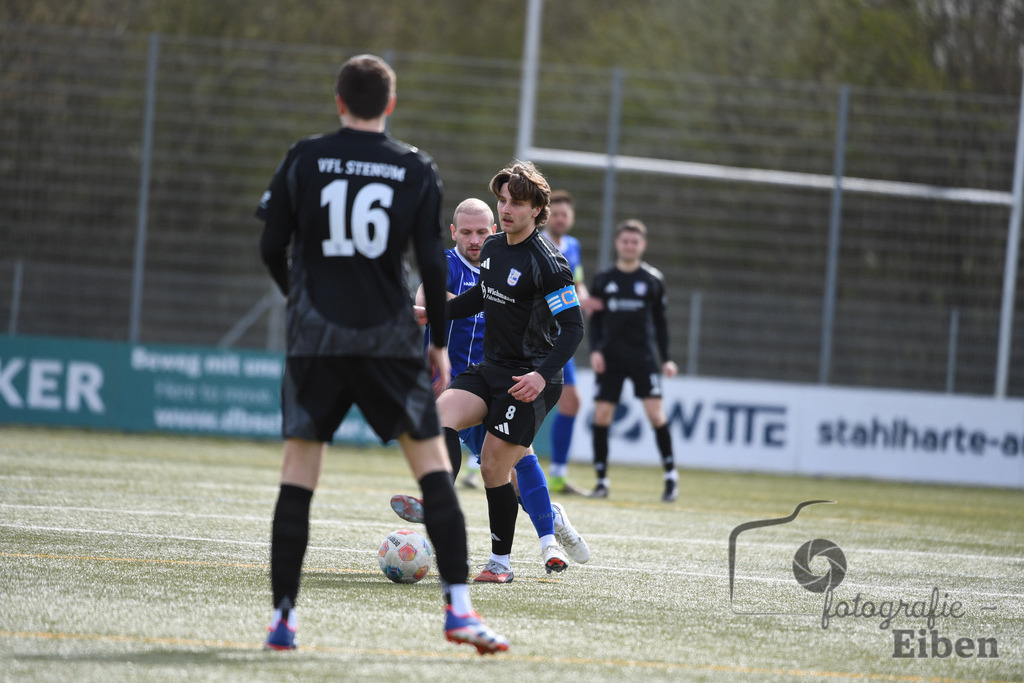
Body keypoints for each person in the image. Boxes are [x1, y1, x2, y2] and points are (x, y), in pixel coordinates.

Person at [255, 54, 507, 655]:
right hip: (388, 341)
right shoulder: (413, 167)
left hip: (316, 339)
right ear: (389, 105)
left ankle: (284, 622)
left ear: (339, 101)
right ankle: (460, 612)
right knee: (433, 473)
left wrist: (302, 299)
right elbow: (430, 265)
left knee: (299, 476)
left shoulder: (305, 157)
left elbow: (271, 246)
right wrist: (440, 345)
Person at [393, 198, 590, 576]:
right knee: (497, 464)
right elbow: (429, 296)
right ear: (454, 233)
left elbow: (566, 323)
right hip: (466, 383)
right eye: (466, 232)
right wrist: (434, 307)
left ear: (495, 230)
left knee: (510, 465)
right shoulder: (450, 265)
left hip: (510, 378)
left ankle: (545, 531)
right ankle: (457, 513)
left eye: (482, 231)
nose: (475, 239)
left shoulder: (518, 259)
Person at [587, 219, 679, 502]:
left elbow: (660, 323)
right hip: (611, 357)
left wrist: (667, 358)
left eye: (634, 242)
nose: (629, 246)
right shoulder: (603, 279)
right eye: (625, 241)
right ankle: (601, 480)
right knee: (602, 416)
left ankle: (670, 477)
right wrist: (596, 351)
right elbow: (595, 321)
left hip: (643, 357)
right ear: (618, 244)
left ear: (642, 245)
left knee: (656, 415)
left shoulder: (652, 280)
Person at [540, 190, 594, 495]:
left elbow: (577, 282)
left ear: (570, 218)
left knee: (571, 403)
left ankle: (558, 476)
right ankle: (482, 462)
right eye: (555, 214)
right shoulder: (538, 243)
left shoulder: (573, 246)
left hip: (561, 335)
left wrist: (583, 297)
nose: (560, 219)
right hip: (537, 333)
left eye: (565, 214)